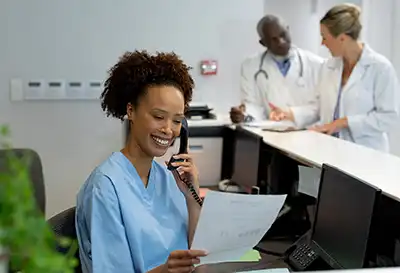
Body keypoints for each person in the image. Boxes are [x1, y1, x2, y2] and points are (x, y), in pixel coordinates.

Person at [75, 50, 208, 273]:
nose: (168, 130)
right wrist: (166, 270)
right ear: (131, 111)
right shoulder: (105, 187)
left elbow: (198, 254)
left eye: (177, 121)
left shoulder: (168, 178)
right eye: (158, 117)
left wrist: (192, 197)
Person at [269, 3, 400, 152]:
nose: (322, 43)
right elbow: (319, 107)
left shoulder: (380, 68)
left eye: (325, 37)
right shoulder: (329, 67)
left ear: (342, 38)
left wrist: (345, 122)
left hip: (367, 154)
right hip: (332, 151)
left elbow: (389, 118)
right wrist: (289, 113)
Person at [230, 14, 324, 123]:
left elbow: (321, 105)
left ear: (289, 30)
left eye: (283, 35)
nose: (281, 42)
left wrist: (291, 114)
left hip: (308, 132)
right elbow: (252, 105)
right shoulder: (250, 66)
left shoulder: (316, 64)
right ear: (263, 43)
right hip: (270, 133)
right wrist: (244, 114)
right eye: (274, 39)